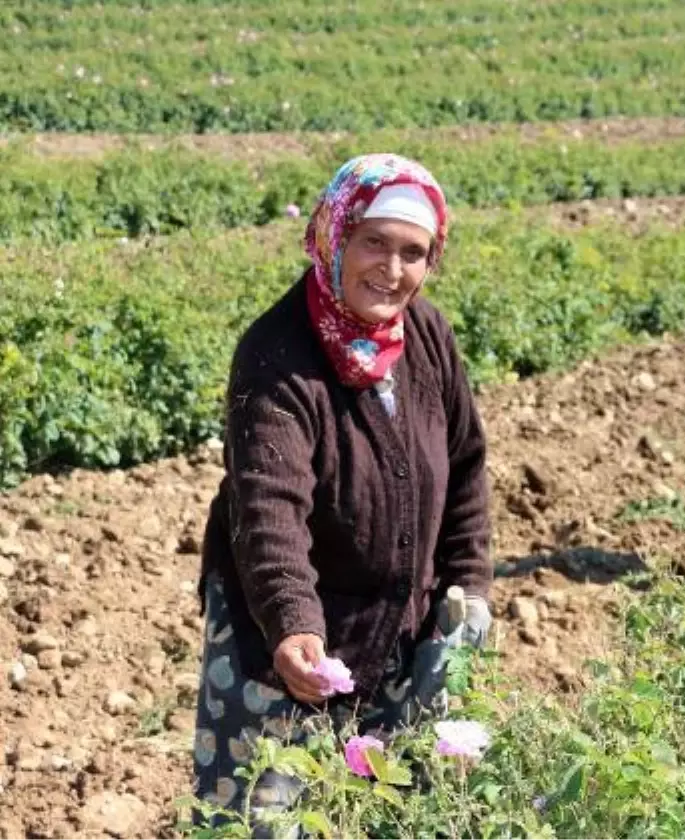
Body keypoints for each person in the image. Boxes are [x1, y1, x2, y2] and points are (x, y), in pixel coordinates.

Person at [192, 154, 493, 828]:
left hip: (396, 629)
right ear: (336, 235)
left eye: (413, 252)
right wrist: (294, 624)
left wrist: (469, 585)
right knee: (258, 816)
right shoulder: (279, 355)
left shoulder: (427, 336)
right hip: (278, 641)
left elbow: (466, 464)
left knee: (376, 812)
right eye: (374, 243)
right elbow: (268, 508)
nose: (391, 270)